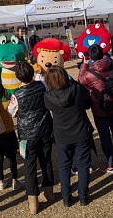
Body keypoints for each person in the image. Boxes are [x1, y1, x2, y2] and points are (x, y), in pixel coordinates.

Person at [8, 61, 54, 215]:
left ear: (18, 78)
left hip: (27, 135)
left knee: (29, 166)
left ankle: (33, 202)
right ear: (32, 73)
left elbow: (12, 112)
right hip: (45, 128)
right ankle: (49, 192)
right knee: (46, 160)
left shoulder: (16, 95)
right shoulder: (42, 86)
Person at [44, 66, 92, 207]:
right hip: (80, 132)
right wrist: (74, 82)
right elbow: (87, 102)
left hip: (62, 135)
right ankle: (83, 196)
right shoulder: (76, 90)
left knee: (64, 166)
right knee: (83, 165)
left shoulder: (48, 97)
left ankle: (67, 198)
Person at [78, 43, 113, 173]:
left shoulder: (89, 74)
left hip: (99, 108)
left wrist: (84, 65)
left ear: (90, 57)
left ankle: (112, 163)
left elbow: (81, 80)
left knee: (105, 136)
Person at [0, 83, 23, 191]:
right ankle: (15, 180)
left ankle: (1, 181)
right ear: (3, 92)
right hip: (9, 134)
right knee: (12, 158)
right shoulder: (6, 104)